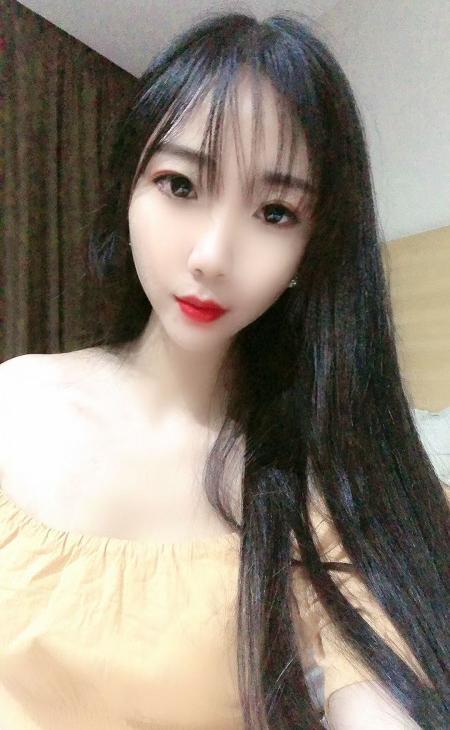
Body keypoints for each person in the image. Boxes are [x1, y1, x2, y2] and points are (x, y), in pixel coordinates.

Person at [0, 10, 448, 730]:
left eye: (275, 213)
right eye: (181, 185)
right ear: (129, 189)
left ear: (313, 250)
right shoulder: (13, 399)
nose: (212, 255)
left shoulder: (325, 489)